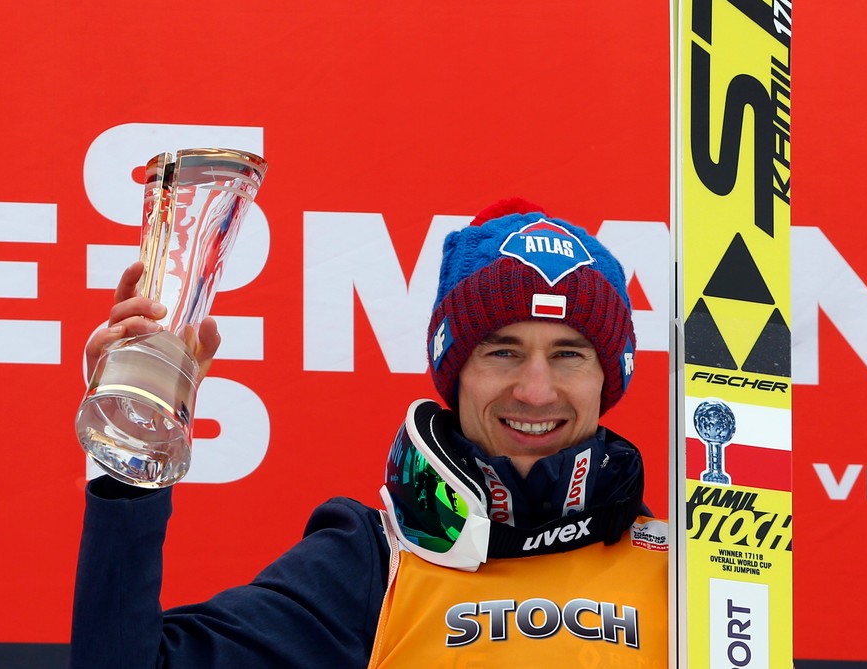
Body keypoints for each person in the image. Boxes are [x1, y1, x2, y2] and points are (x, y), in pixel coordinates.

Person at [69, 198, 667, 668]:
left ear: (608, 378)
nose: (536, 391)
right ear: (454, 373)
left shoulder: (691, 567)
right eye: (502, 352)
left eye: (569, 355)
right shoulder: (372, 561)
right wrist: (134, 435)